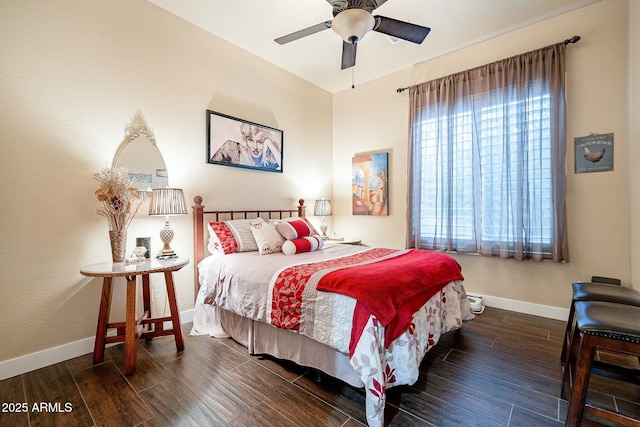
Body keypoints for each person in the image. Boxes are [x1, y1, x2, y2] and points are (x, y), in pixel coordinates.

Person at [211, 123, 281, 170]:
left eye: (260, 142)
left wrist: (268, 142)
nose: (255, 147)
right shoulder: (231, 149)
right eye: (250, 140)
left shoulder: (267, 162)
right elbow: (210, 169)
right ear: (246, 140)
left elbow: (283, 166)